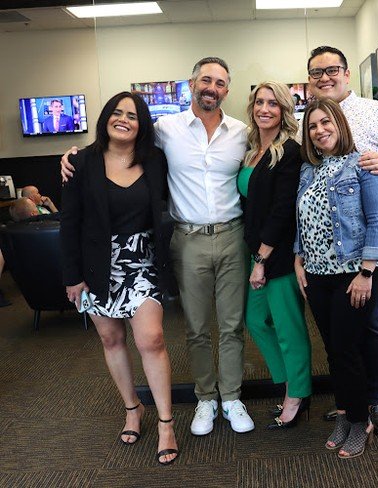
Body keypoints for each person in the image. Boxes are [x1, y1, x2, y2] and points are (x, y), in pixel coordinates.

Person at [61, 57, 254, 437]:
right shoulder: (166, 130)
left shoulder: (241, 132)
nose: (211, 88)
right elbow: (114, 143)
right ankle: (205, 398)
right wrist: (72, 156)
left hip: (232, 234)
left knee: (232, 325)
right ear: (192, 84)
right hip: (187, 239)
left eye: (220, 82)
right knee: (196, 327)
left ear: (227, 90)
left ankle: (231, 397)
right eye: (205, 80)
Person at [303, 46, 378, 434]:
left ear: (347, 73)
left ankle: (375, 400)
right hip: (329, 252)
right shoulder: (310, 121)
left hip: (376, 240)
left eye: (332, 70)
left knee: (369, 320)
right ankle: (351, 401)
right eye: (316, 72)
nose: (324, 77)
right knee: (339, 330)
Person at [60, 91, 178, 465]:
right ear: (106, 117)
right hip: (96, 266)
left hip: (143, 263)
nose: (123, 119)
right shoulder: (80, 162)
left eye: (132, 115)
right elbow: (69, 223)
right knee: (111, 339)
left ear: (142, 125)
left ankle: (166, 423)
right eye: (117, 112)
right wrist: (72, 276)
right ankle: (132, 408)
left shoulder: (155, 159)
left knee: (151, 339)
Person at [295, 97, 378, 458]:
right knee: (333, 350)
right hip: (316, 275)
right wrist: (299, 257)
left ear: (339, 124)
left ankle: (361, 421)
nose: (320, 130)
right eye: (312, 126)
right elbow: (302, 219)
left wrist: (367, 272)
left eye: (326, 122)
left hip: (353, 275)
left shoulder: (363, 163)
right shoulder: (309, 170)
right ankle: (346, 415)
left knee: (347, 349)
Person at [237, 81, 312, 429]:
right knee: (255, 321)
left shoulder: (290, 151)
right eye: (259, 102)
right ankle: (290, 384)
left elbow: (282, 210)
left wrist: (262, 260)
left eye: (273, 104)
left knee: (287, 327)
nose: (264, 109)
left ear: (284, 111)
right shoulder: (251, 150)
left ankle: (297, 394)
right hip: (255, 251)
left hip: (277, 254)